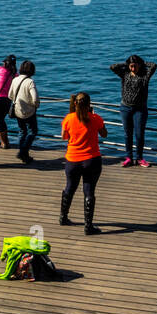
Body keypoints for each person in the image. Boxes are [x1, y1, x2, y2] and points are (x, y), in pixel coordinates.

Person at [60, 92, 107, 235]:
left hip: (73, 159)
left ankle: (63, 217)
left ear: (75, 104)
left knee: (69, 188)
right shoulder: (95, 118)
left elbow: (64, 137)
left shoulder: (69, 118)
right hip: (91, 160)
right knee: (89, 191)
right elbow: (104, 134)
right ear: (89, 105)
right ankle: (88, 226)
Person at [110, 54, 157, 167]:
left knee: (139, 134)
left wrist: (142, 63)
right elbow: (113, 67)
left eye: (135, 66)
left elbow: (154, 66)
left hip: (139, 109)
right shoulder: (125, 74)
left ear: (139, 65)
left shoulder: (145, 76)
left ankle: (139, 158)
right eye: (131, 66)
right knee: (128, 134)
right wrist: (126, 64)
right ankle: (129, 157)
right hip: (125, 107)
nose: (133, 68)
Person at [9, 60, 40, 164]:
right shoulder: (30, 82)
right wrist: (35, 105)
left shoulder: (15, 79)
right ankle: (23, 151)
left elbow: (10, 95)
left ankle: (24, 155)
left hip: (17, 110)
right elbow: (35, 99)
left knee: (22, 131)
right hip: (29, 111)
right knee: (33, 131)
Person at [0, 54, 18, 148]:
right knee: (1, 120)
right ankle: (5, 142)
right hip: (7, 99)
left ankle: (4, 143)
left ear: (5, 63)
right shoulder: (15, 75)